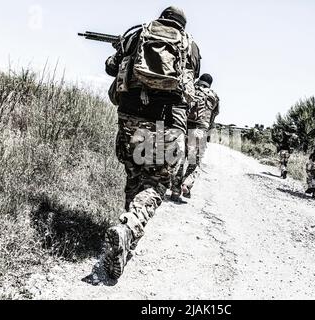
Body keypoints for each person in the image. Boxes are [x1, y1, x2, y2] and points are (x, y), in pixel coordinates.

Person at [102, 6, 201, 279]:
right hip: (167, 122)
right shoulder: (190, 45)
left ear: (162, 17)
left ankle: (125, 233)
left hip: (131, 116)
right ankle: (129, 228)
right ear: (182, 23)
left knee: (134, 172)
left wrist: (121, 49)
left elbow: (111, 67)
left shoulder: (137, 33)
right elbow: (189, 87)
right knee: (156, 183)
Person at [171, 73, 220, 201]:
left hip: (185, 127)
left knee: (180, 160)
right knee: (194, 162)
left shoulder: (191, 89)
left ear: (200, 80)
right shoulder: (214, 96)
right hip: (200, 131)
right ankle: (186, 184)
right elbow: (213, 117)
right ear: (210, 84)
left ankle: (175, 191)